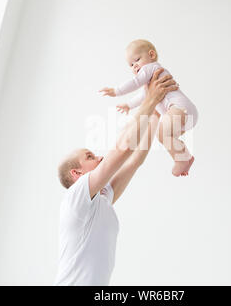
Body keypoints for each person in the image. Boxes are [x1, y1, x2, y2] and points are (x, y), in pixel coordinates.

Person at [55, 69, 178, 286]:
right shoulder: (77, 197)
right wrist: (150, 99)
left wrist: (156, 112)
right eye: (90, 156)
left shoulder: (101, 199)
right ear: (77, 174)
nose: (99, 156)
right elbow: (122, 150)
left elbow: (135, 160)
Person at [99, 39, 198, 176]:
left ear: (151, 55)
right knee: (167, 137)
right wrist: (128, 105)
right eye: (131, 65)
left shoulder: (152, 68)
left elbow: (135, 82)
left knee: (162, 134)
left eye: (137, 60)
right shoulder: (150, 84)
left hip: (179, 108)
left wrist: (116, 91)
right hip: (184, 114)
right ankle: (184, 156)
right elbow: (142, 97)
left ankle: (182, 159)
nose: (135, 66)